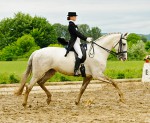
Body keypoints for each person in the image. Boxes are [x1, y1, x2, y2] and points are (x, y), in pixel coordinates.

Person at [65, 12, 92, 76]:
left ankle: (82, 68)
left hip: (78, 42)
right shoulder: (71, 25)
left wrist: (86, 38)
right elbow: (77, 34)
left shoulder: (73, 24)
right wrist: (86, 39)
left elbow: (79, 34)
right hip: (74, 42)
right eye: (75, 16)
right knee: (80, 54)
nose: (75, 17)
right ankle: (76, 70)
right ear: (71, 17)